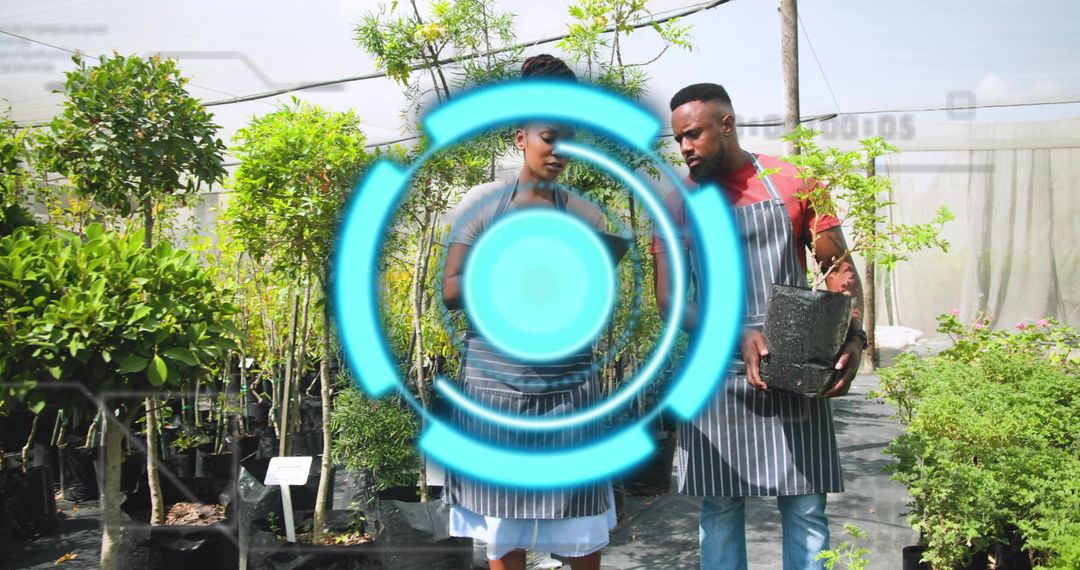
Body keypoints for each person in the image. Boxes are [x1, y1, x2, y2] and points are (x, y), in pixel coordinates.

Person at [652, 83, 866, 570]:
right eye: (678, 139)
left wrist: (853, 336)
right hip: (718, 371)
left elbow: (840, 268)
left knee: (806, 504)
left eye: (693, 135)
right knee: (721, 506)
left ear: (726, 125)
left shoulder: (791, 181)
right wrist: (736, 333)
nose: (684, 148)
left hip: (797, 361)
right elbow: (670, 302)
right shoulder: (676, 203)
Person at [440, 54, 615, 570]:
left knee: (582, 528)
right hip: (497, 385)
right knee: (505, 528)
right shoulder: (481, 204)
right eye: (547, 136)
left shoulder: (586, 214)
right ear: (520, 136)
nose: (559, 150)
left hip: (568, 387)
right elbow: (451, 291)